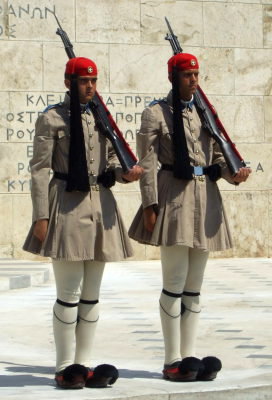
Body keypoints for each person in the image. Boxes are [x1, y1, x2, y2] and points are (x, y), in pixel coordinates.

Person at [128, 53, 251, 382]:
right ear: (173, 77)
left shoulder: (204, 113)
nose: (194, 80)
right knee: (174, 283)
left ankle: (189, 357)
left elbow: (214, 157)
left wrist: (232, 173)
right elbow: (148, 162)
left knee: (194, 288)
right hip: (175, 197)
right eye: (187, 75)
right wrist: (150, 206)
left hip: (205, 198)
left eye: (196, 74)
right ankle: (172, 359)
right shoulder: (156, 113)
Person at [23, 57, 143, 389]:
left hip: (99, 204)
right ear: (68, 84)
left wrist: (126, 173)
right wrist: (41, 215)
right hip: (66, 204)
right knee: (69, 293)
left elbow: (113, 161)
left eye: (93, 81)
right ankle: (65, 365)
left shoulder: (101, 118)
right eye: (83, 82)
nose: (90, 87)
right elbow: (39, 170)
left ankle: (84, 364)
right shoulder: (52, 119)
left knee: (91, 294)